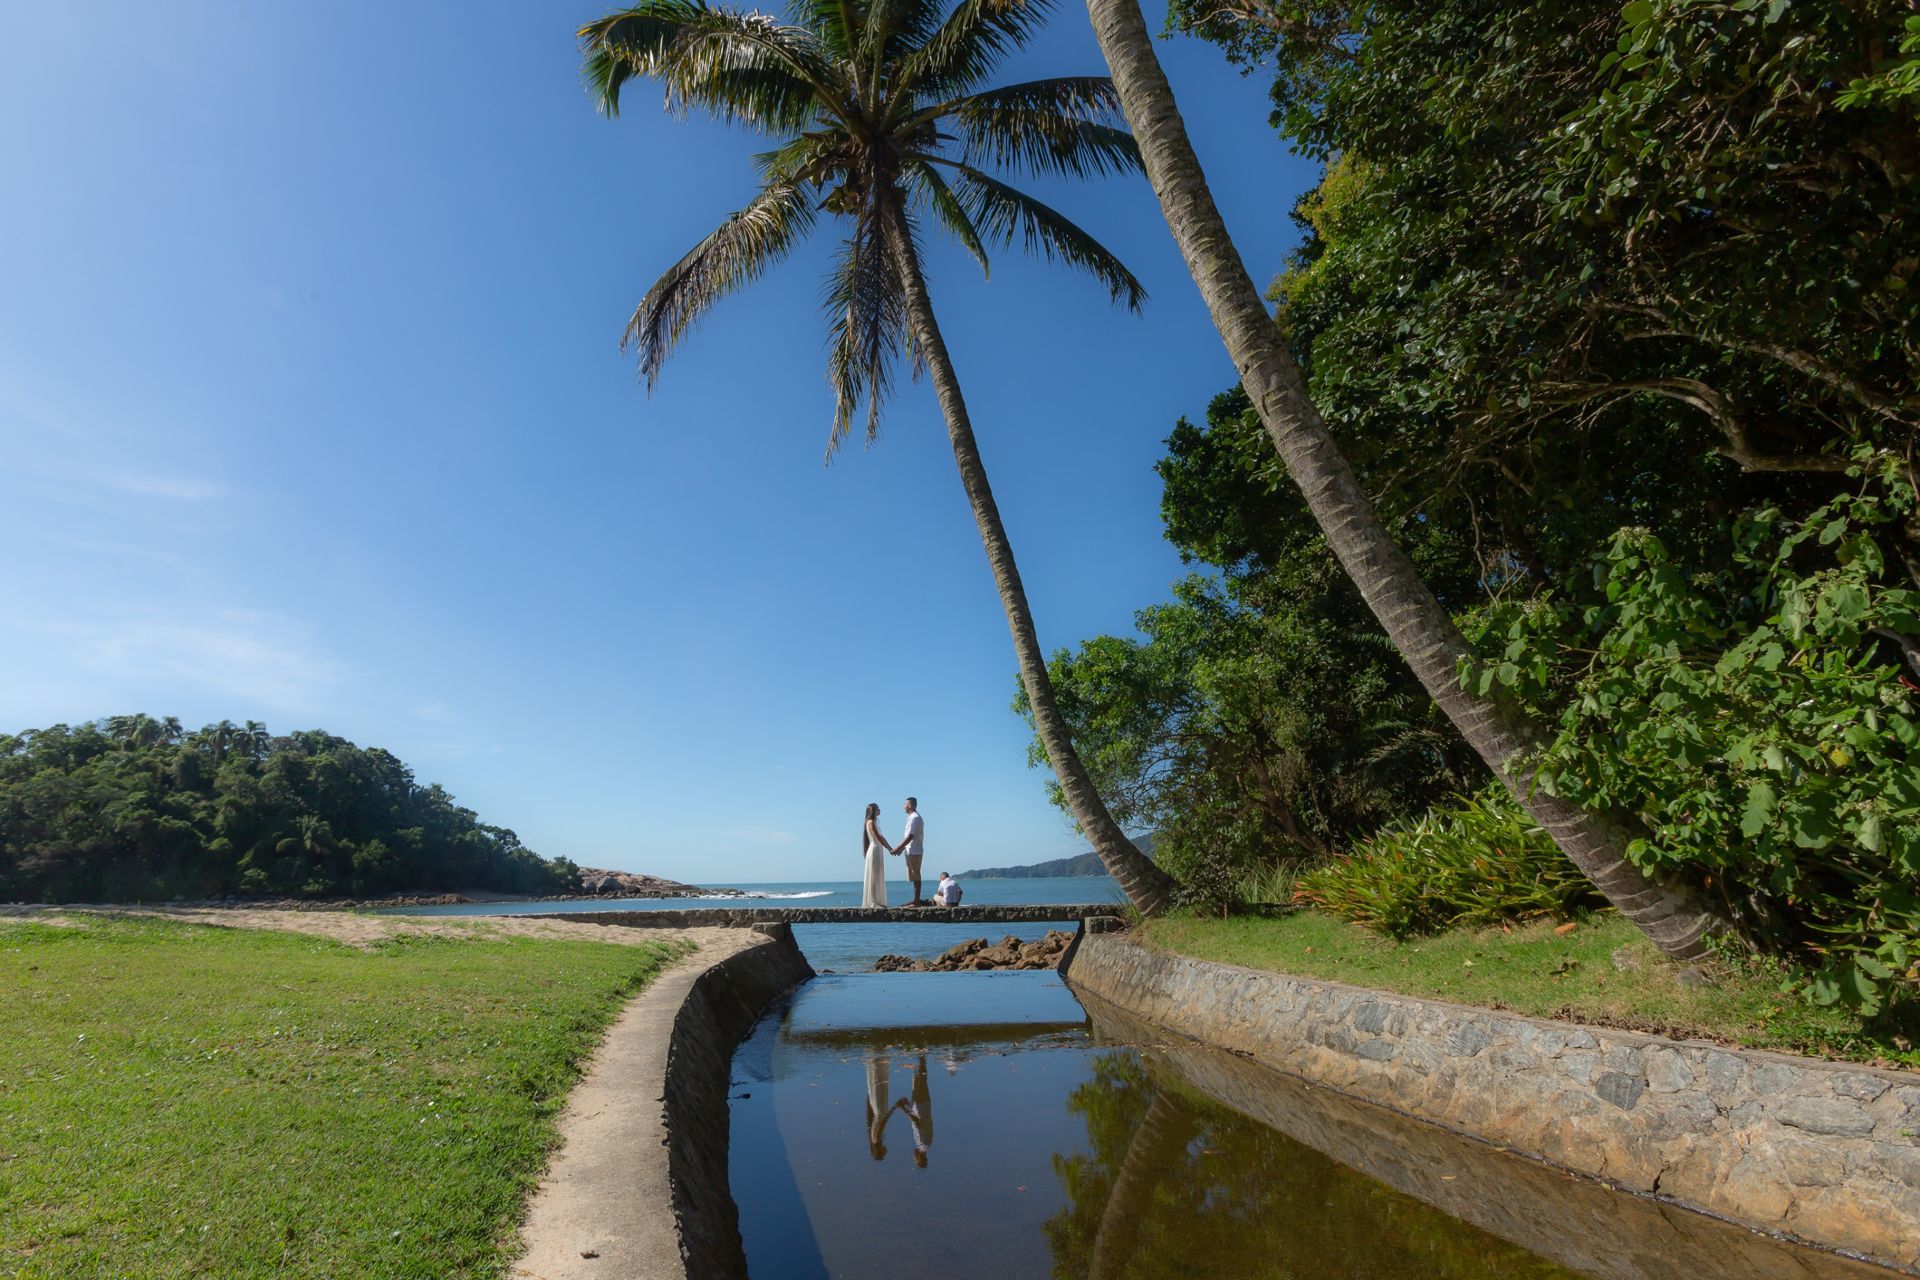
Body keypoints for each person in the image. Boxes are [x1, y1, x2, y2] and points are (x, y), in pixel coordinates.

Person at [861, 802, 893, 909]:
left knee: (877, 875)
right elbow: (878, 838)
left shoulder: (875, 823)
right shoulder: (870, 822)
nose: (880, 810)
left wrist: (890, 848)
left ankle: (878, 901)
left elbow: (882, 838)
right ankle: (873, 902)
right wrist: (889, 849)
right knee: (873, 876)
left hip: (878, 850)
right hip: (874, 850)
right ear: (873, 810)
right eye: (878, 808)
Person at [898, 796, 926, 906]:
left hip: (914, 850)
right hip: (910, 849)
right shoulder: (911, 817)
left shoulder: (915, 818)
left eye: (905, 804)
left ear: (910, 805)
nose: (903, 806)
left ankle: (916, 900)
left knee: (916, 876)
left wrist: (898, 848)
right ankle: (916, 899)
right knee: (914, 876)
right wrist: (902, 849)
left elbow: (910, 836)